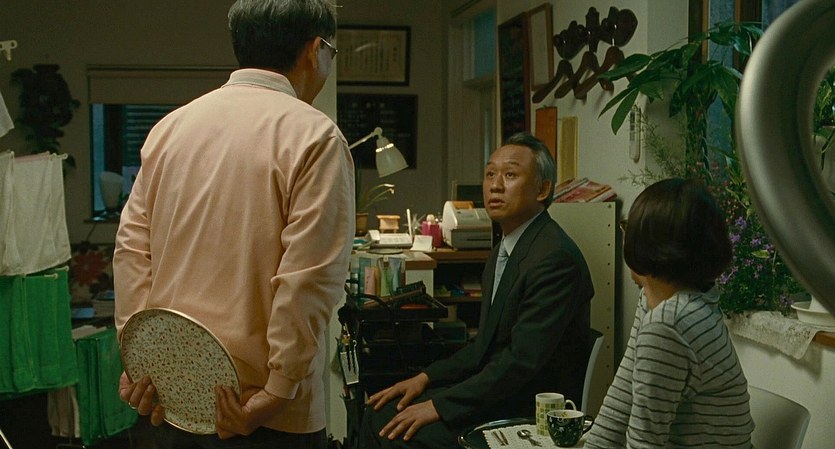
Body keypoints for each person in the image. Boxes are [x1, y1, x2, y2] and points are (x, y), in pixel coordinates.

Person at [113, 1, 354, 448]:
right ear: (315, 50)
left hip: (168, 398)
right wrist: (279, 390)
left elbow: (131, 252)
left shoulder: (170, 129)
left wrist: (139, 357)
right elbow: (310, 278)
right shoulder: (314, 135)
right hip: (263, 411)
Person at [360, 132, 595, 448]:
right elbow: (482, 346)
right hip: (496, 390)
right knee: (379, 410)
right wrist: (425, 379)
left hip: (525, 406)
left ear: (542, 189)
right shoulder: (505, 249)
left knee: (388, 429)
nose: (495, 185)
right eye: (490, 174)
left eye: (510, 175)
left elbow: (519, 364)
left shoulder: (554, 258)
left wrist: (438, 406)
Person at [584, 178, 754, 448]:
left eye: (628, 228)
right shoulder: (665, 301)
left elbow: (644, 443)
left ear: (647, 245)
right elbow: (623, 394)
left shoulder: (669, 323)